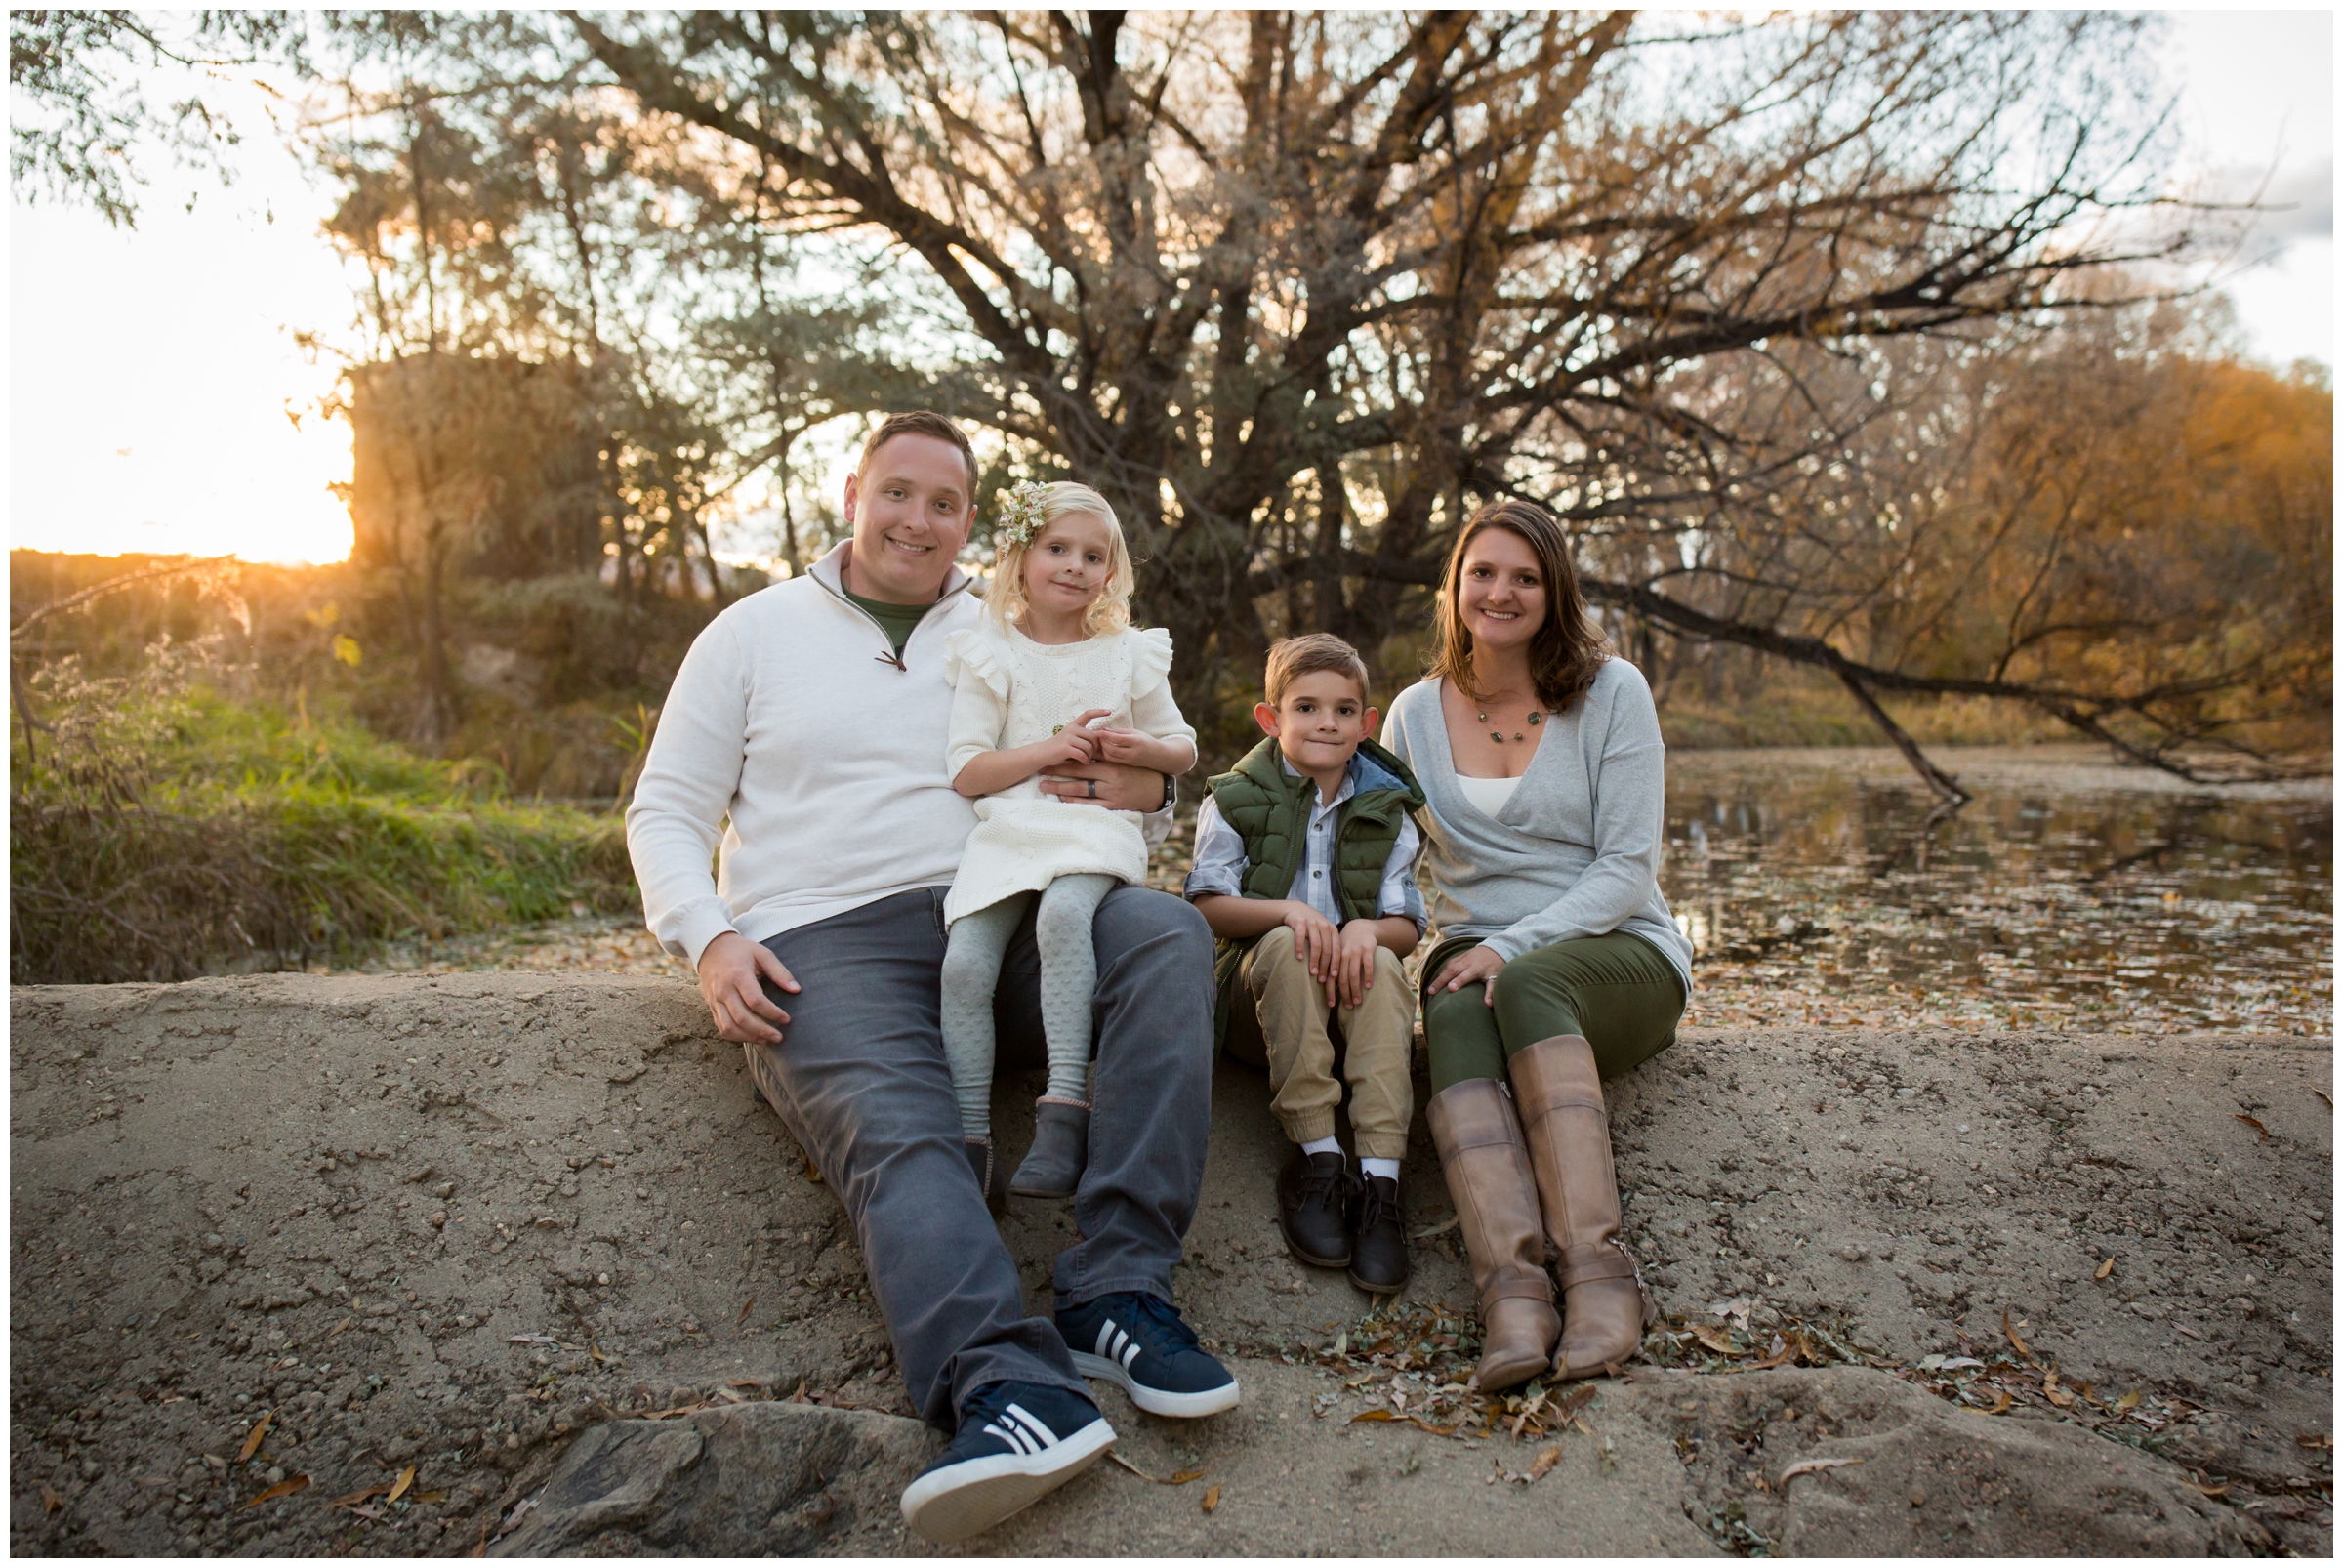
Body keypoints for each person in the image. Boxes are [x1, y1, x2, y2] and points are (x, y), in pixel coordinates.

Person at [625, 413, 1237, 1546]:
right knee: (896, 1121)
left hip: (997, 905)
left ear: (972, 521)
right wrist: (708, 938)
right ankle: (1009, 1389)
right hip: (823, 932)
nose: (917, 520)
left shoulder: (1011, 626)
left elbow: (1137, 780)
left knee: (1162, 937)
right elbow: (666, 807)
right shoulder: (752, 632)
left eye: (943, 503)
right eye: (896, 493)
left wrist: (1131, 791)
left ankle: (1116, 1290)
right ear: (852, 491)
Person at [1379, 498, 1693, 1392]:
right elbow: (1389, 855)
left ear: (1555, 594)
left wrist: (1514, 946)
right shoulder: (1411, 713)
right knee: (1453, 1006)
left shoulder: (1612, 693)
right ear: (1455, 587)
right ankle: (1513, 1296)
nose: (1501, 592)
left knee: (1519, 987)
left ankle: (1599, 1279)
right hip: (1475, 949)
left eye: (1525, 577)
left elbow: (1627, 868)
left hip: (1616, 947)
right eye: (1483, 572)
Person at [939, 479, 1197, 1203]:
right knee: (964, 966)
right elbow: (967, 769)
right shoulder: (991, 654)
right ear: (1021, 557)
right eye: (1058, 549)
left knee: (1061, 919)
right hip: (1009, 832)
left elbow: (1182, 748)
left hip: (1093, 828)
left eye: (1093, 555)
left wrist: (1138, 746)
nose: (1075, 567)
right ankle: (969, 1143)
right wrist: (1047, 752)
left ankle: (1064, 1110)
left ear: (1111, 572)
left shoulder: (1126, 653)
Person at [1186, 634, 1426, 1295]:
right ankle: (1318, 1158)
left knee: (1378, 961)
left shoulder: (1388, 808)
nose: (1327, 722)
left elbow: (1408, 924)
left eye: (1345, 710)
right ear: (1272, 718)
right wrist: (1290, 913)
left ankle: (1380, 1183)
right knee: (1294, 947)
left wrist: (1367, 932)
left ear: (1366, 723)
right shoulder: (1233, 799)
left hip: (1346, 1001)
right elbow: (1207, 905)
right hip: (1254, 1005)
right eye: (1307, 707)